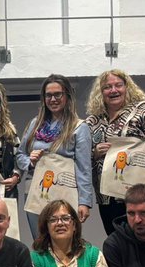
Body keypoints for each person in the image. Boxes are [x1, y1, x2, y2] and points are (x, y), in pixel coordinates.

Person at [85, 69, 145, 235]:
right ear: (100, 92)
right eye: (107, 87)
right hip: (108, 197)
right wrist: (94, 152)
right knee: (116, 243)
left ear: (127, 88)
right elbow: (80, 157)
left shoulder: (144, 112)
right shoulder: (93, 120)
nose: (113, 90)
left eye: (118, 85)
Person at [17, 74, 93, 238]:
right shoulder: (35, 124)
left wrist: (84, 202)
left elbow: (84, 168)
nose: (53, 99)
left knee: (63, 243)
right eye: (48, 95)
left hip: (65, 192)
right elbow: (20, 155)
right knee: (40, 242)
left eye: (58, 94)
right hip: (35, 191)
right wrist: (30, 162)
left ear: (67, 96)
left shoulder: (79, 127)